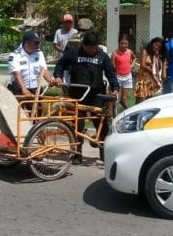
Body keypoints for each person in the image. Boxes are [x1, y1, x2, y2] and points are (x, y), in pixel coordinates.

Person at [52, 31, 119, 163]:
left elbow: (111, 72)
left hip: (96, 94)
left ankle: (103, 152)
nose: (92, 50)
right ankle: (77, 154)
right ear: (84, 45)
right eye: (89, 48)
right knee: (78, 124)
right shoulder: (73, 53)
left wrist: (115, 87)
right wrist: (58, 76)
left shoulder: (102, 56)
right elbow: (60, 65)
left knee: (101, 123)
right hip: (77, 94)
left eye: (94, 48)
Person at [7, 31, 53, 96]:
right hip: (18, 89)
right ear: (26, 43)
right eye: (36, 43)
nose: (38, 45)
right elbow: (16, 74)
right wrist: (24, 89)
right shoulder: (14, 56)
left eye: (38, 43)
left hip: (35, 90)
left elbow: (43, 70)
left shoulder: (39, 54)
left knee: (38, 106)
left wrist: (50, 80)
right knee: (18, 106)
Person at [134, 37, 165, 103]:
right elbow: (142, 65)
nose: (157, 47)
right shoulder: (145, 51)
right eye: (156, 45)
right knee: (140, 98)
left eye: (159, 47)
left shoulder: (157, 55)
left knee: (149, 99)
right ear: (152, 43)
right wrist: (152, 71)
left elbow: (159, 67)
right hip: (143, 78)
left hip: (151, 79)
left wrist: (157, 56)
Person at [111, 34, 136, 110]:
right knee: (116, 98)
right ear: (119, 43)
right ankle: (114, 112)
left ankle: (123, 112)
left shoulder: (129, 52)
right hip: (118, 77)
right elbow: (112, 67)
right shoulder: (115, 54)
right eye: (122, 43)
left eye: (126, 44)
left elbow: (134, 58)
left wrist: (132, 65)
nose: (124, 45)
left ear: (128, 44)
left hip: (127, 77)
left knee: (124, 98)